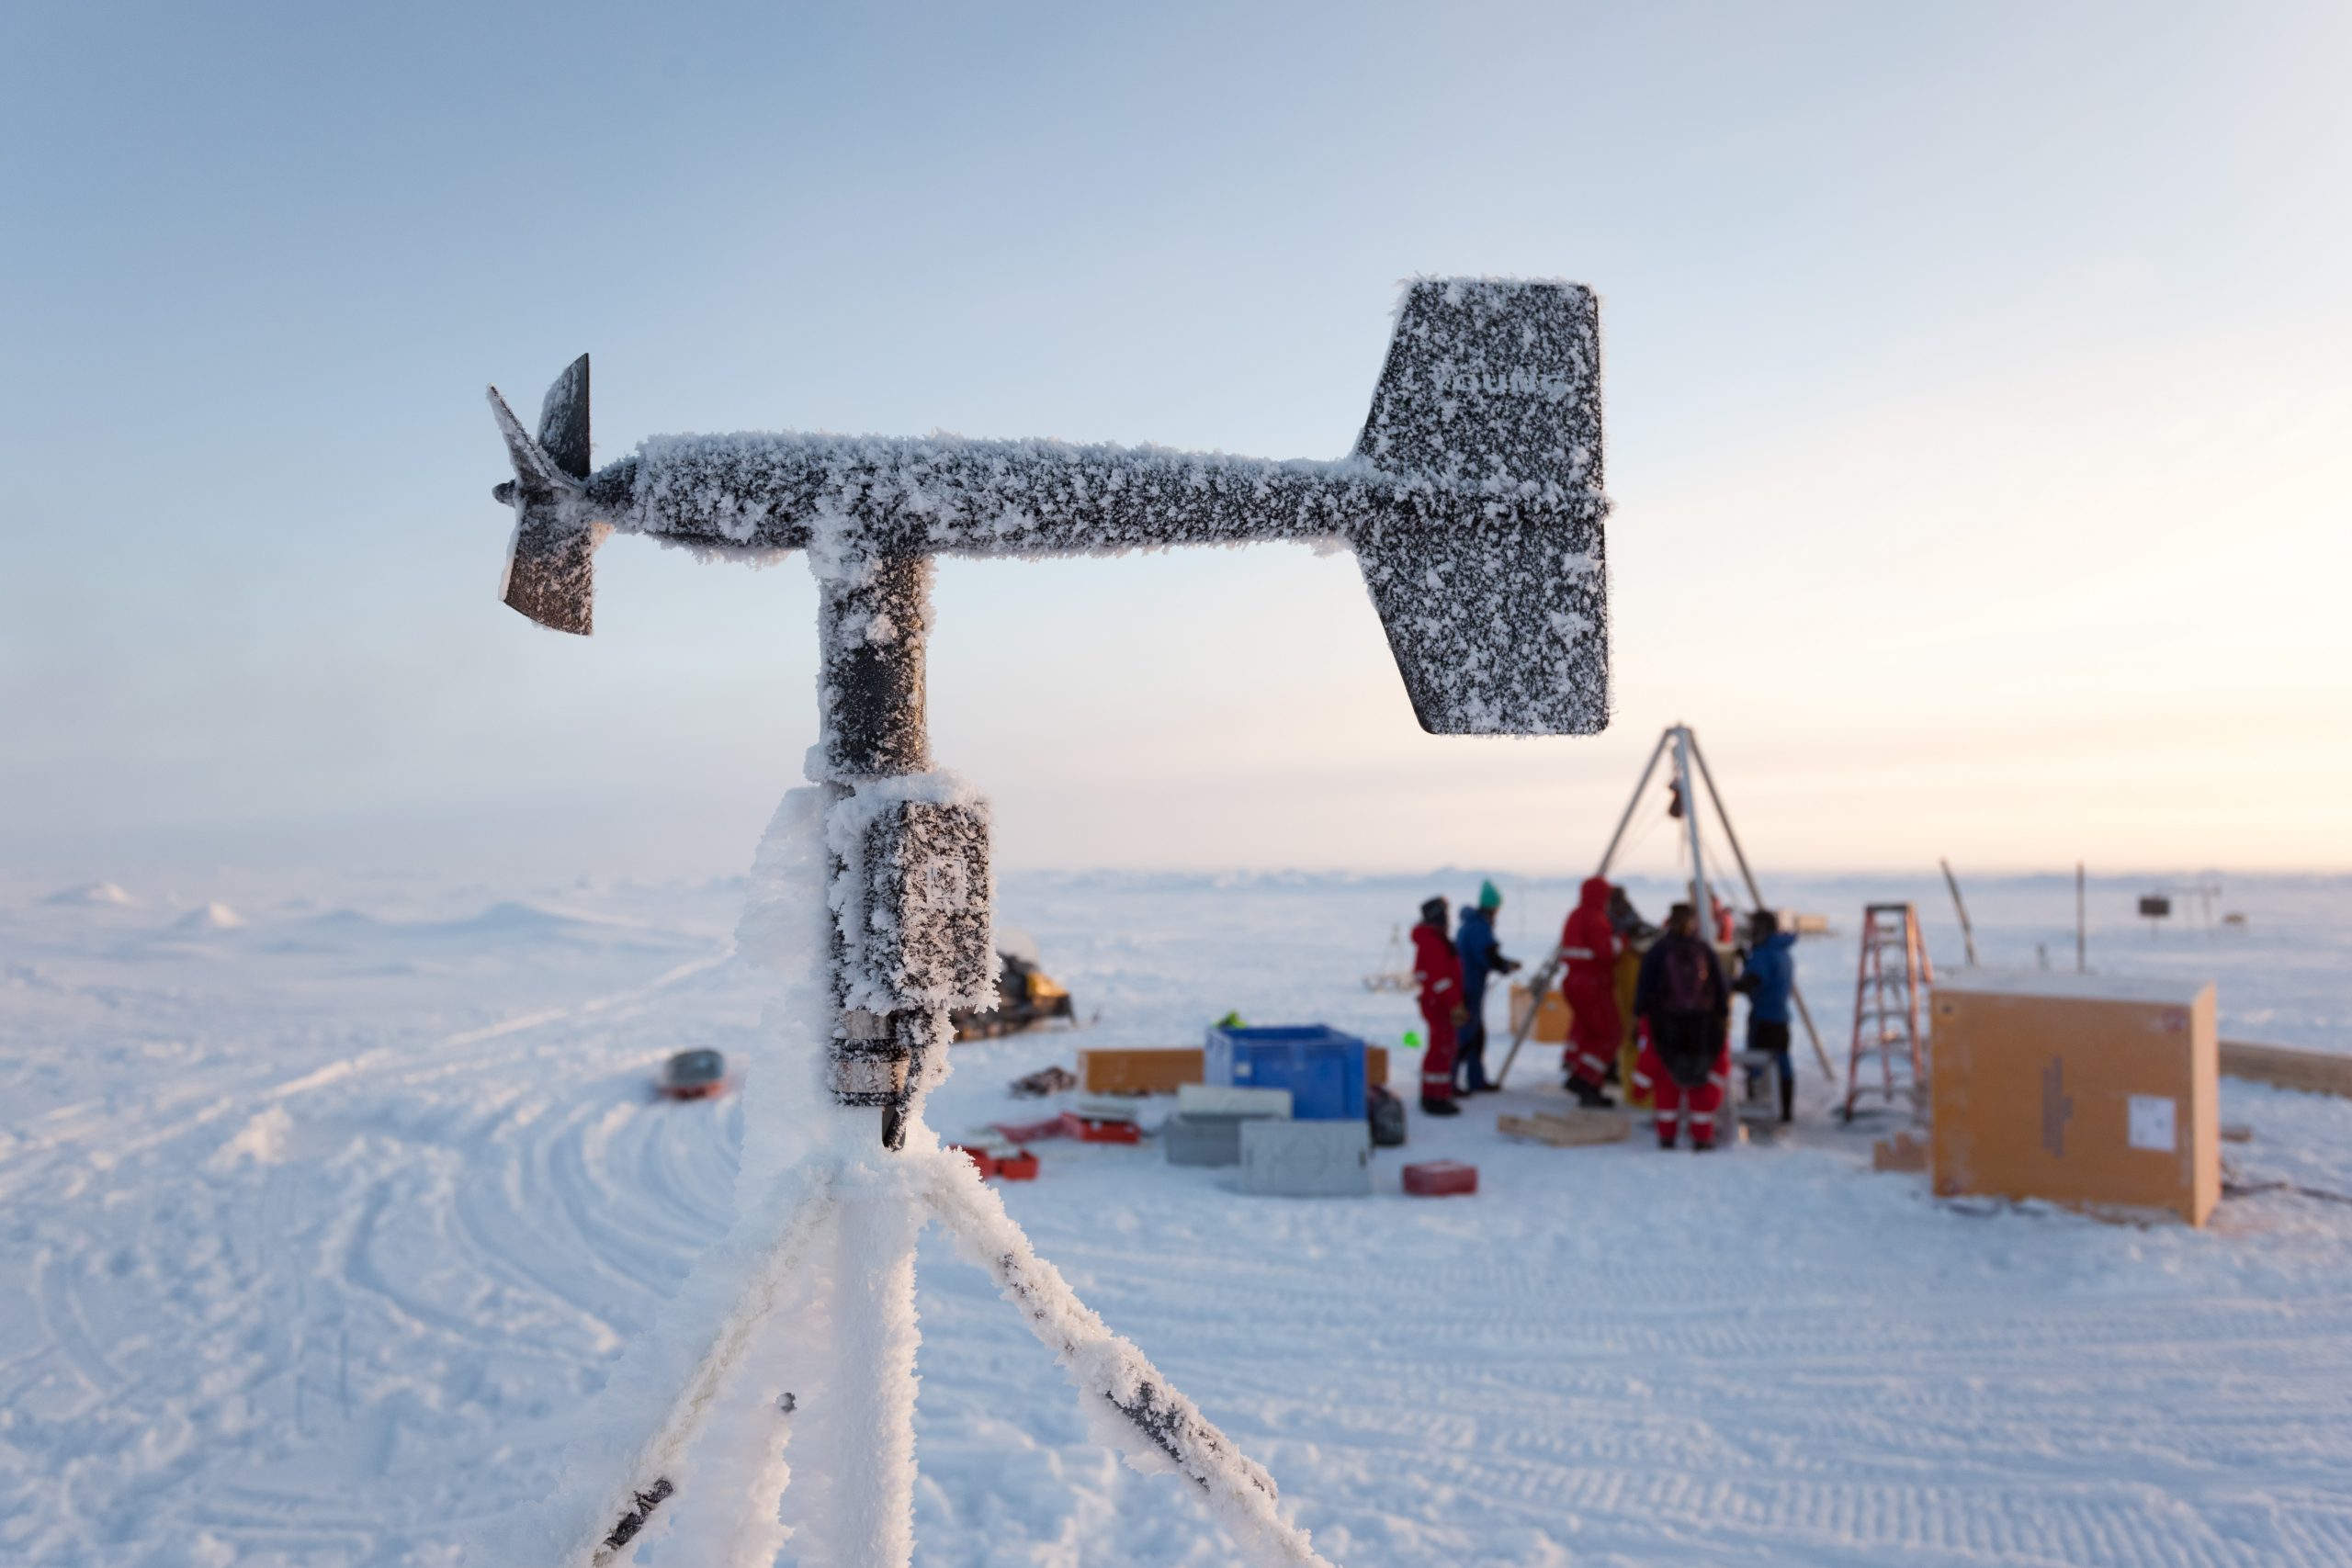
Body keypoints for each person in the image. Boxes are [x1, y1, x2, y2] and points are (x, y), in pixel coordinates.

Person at [1631, 902, 1731, 1150]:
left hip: (1665, 1022)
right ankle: (1702, 1137)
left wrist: (1639, 1014)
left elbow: (1645, 984)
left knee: (1667, 1081)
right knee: (1701, 1081)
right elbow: (1719, 983)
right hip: (1703, 1023)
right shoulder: (1704, 949)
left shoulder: (1659, 950)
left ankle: (1667, 1136)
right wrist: (1722, 1014)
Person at [1557, 875, 1622, 1108]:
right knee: (1609, 1034)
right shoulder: (1595, 918)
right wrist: (1621, 942)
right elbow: (1605, 952)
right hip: (1592, 984)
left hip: (1575, 983)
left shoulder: (1575, 915)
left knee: (1588, 1031)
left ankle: (1580, 1074)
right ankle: (1586, 1081)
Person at [1453, 881, 1521, 1095]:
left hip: (1470, 987)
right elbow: (1488, 955)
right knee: (1464, 1037)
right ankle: (1449, 1082)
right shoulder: (1479, 927)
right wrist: (1505, 965)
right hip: (1469, 989)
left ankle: (1476, 1079)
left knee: (1476, 1036)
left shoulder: (1470, 924)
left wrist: (1503, 964)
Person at [1736, 909, 1797, 1122]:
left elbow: (1751, 983)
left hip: (1764, 1020)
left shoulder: (1764, 954)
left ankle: (1757, 1108)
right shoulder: (1782, 950)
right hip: (1781, 1019)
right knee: (1782, 1062)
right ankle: (1786, 1110)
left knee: (1758, 1063)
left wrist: (1721, 982)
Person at [1409, 896, 1464, 1116]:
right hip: (1439, 1004)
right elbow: (1439, 979)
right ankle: (1434, 1097)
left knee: (1443, 1047)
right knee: (1440, 1049)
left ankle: (1438, 1092)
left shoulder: (1434, 939)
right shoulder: (1432, 941)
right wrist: (1454, 1004)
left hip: (1438, 1002)